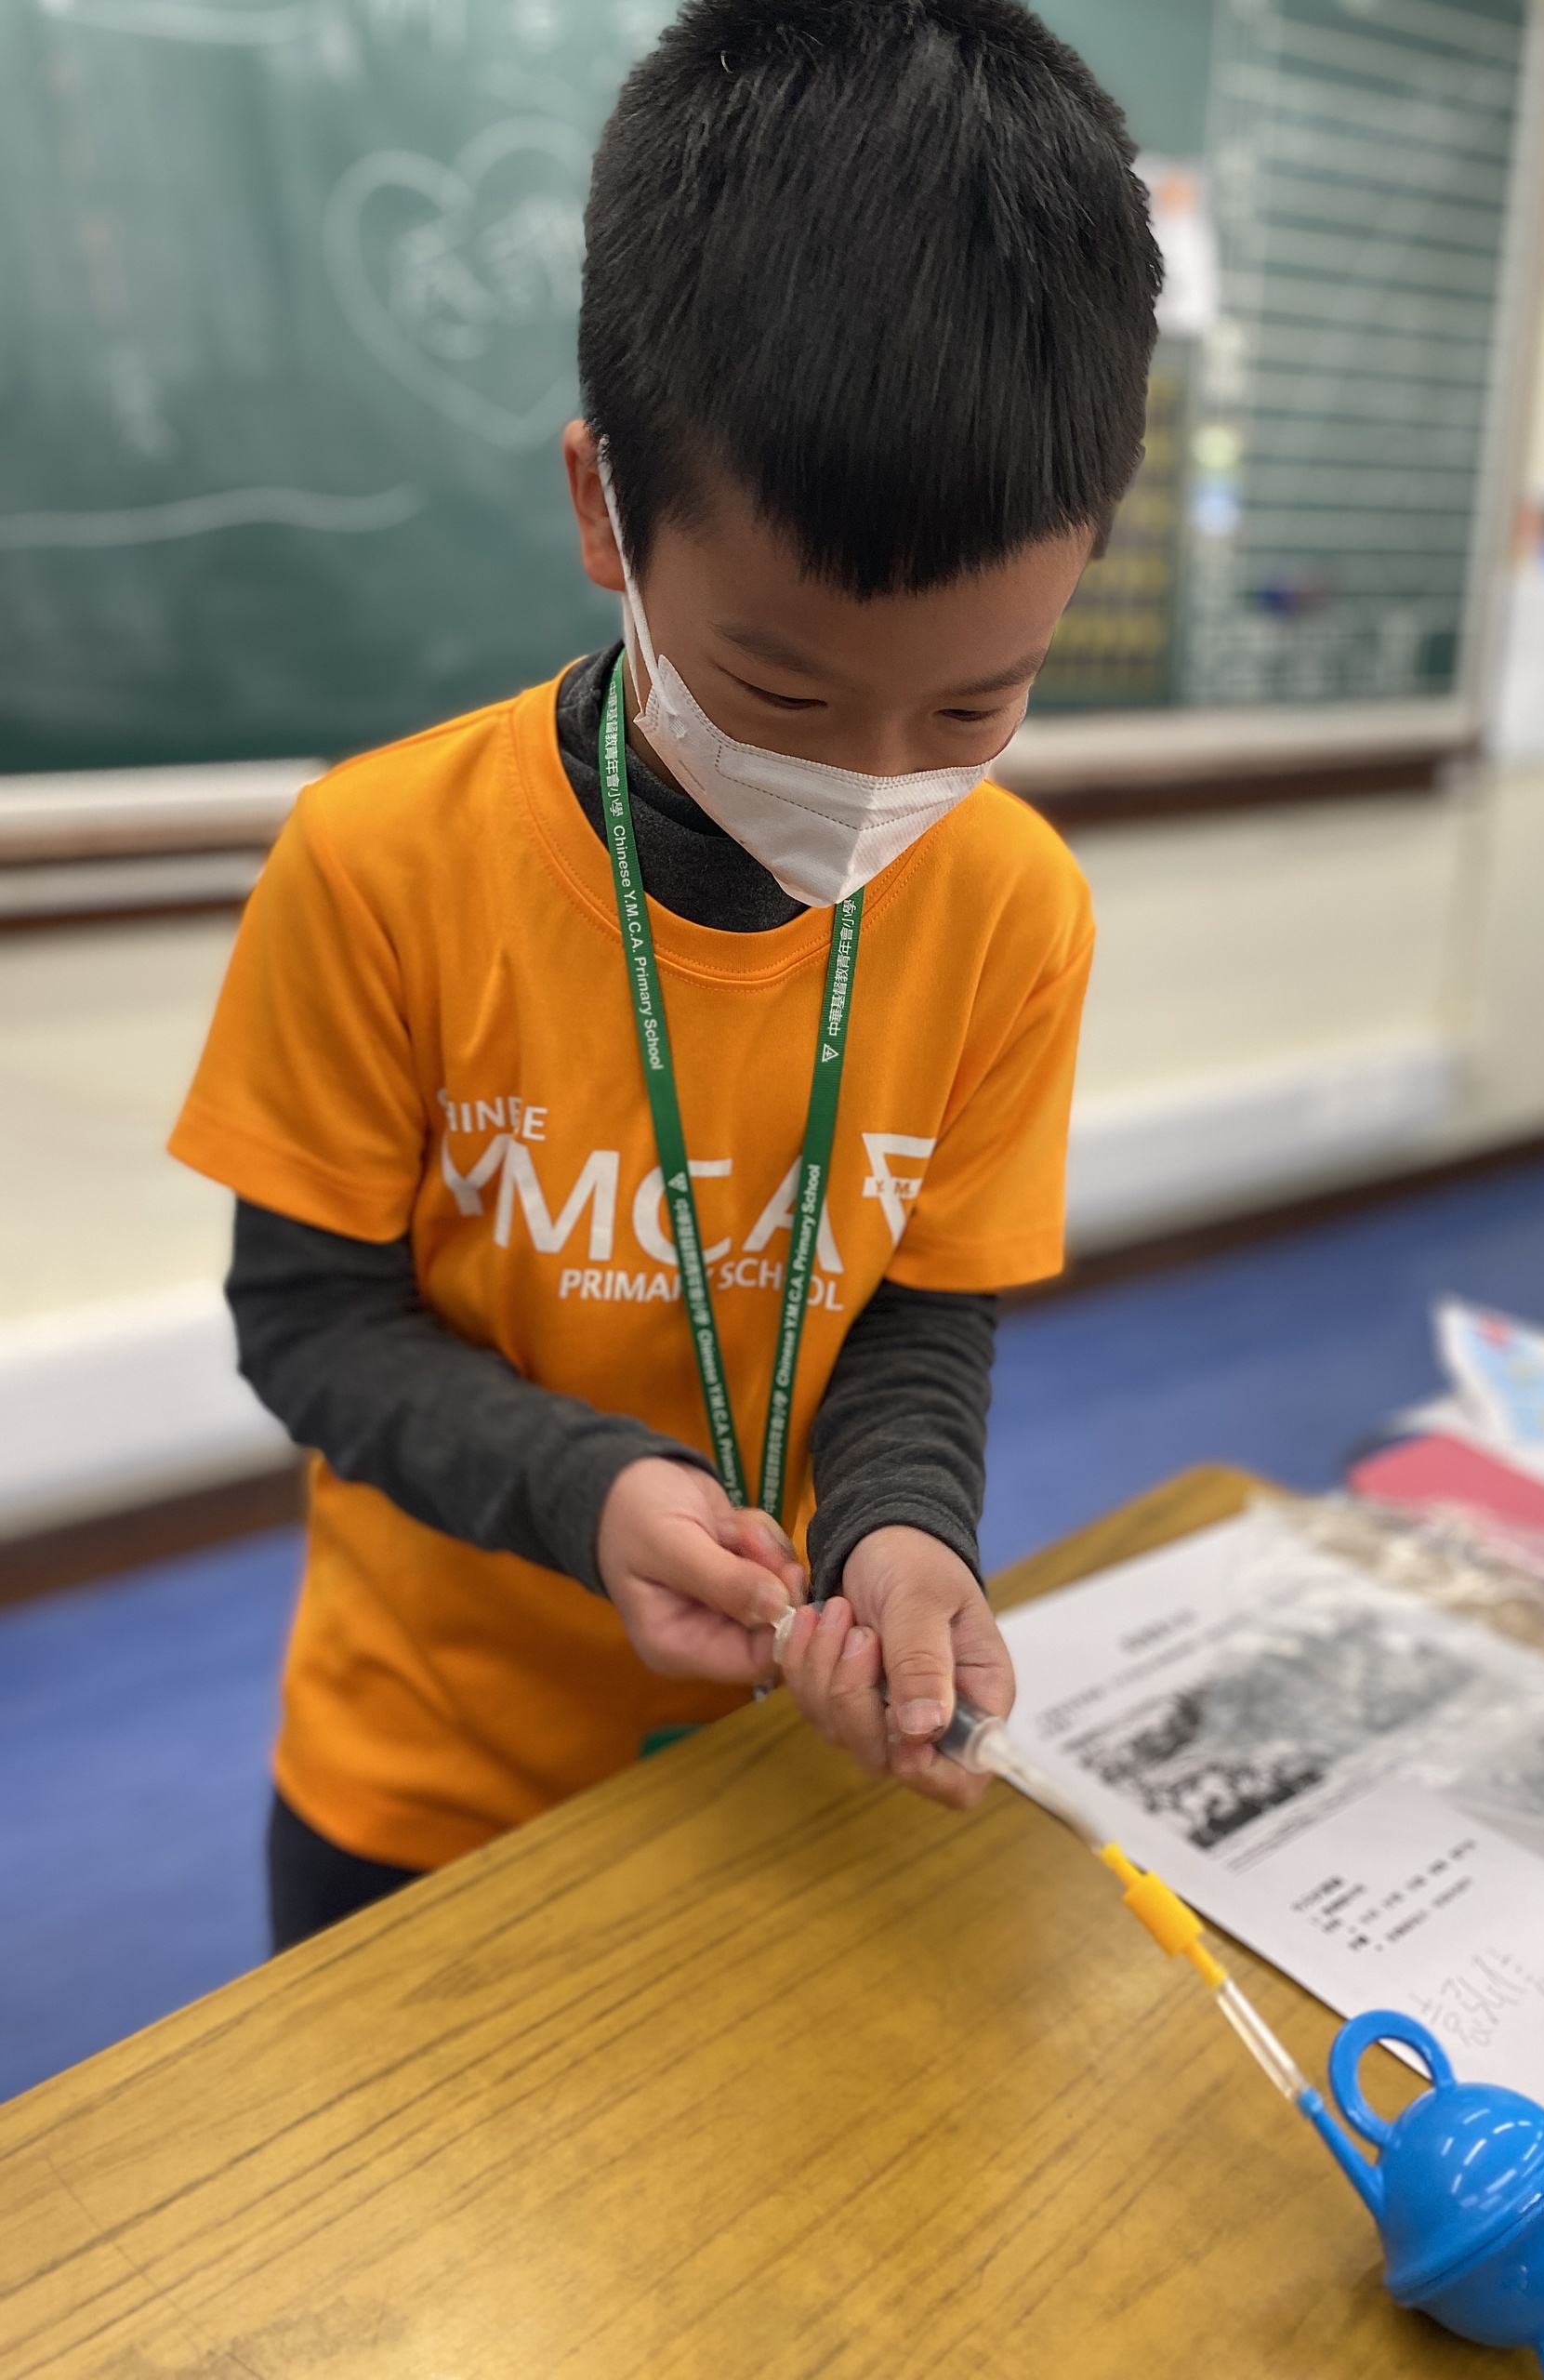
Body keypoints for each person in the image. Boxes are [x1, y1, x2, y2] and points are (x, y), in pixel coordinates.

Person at [170, 0, 1161, 1951]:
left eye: (976, 705)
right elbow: (309, 1323)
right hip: (427, 1777)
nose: (873, 780)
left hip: (777, 1769)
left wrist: (903, 1523)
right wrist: (584, 1486)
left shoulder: (1014, 909)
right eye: (782, 692)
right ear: (602, 511)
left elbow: (923, 1310)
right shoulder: (380, 863)